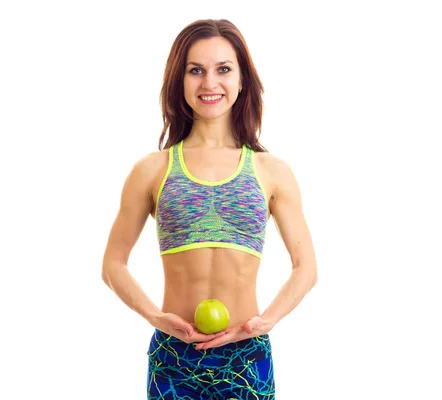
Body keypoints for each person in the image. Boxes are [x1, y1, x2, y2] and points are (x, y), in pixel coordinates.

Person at [102, 18, 318, 399]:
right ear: (179, 80)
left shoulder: (272, 172)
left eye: (223, 69)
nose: (209, 83)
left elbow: (306, 267)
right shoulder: (152, 170)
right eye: (195, 70)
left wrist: (264, 323)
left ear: (242, 80)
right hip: (173, 358)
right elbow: (113, 264)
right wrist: (156, 318)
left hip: (247, 357)